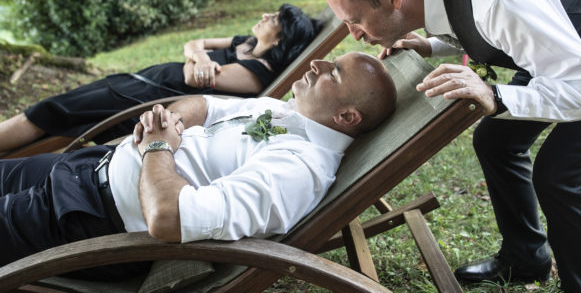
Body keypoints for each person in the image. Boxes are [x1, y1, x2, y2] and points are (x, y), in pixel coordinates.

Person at [321, 0, 581, 292]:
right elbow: (473, 23)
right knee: (495, 141)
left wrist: (495, 95)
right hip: (561, 52)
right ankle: (526, 257)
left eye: (355, 20)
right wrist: (432, 44)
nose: (354, 34)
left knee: (560, 174)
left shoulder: (500, 0)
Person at [0, 51, 398, 280]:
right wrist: (167, 126)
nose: (317, 64)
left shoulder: (297, 170)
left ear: (347, 117)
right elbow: (204, 105)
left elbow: (168, 217)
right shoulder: (285, 110)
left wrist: (157, 145)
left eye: (335, 72)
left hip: (89, 221)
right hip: (84, 169)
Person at [0, 4, 322, 154]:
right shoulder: (245, 45)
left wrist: (197, 59)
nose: (265, 15)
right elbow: (195, 45)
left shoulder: (252, 76)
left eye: (275, 19)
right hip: (138, 83)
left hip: (141, 100)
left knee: (51, 111)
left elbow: (190, 77)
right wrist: (200, 55)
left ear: (280, 40)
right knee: (56, 111)